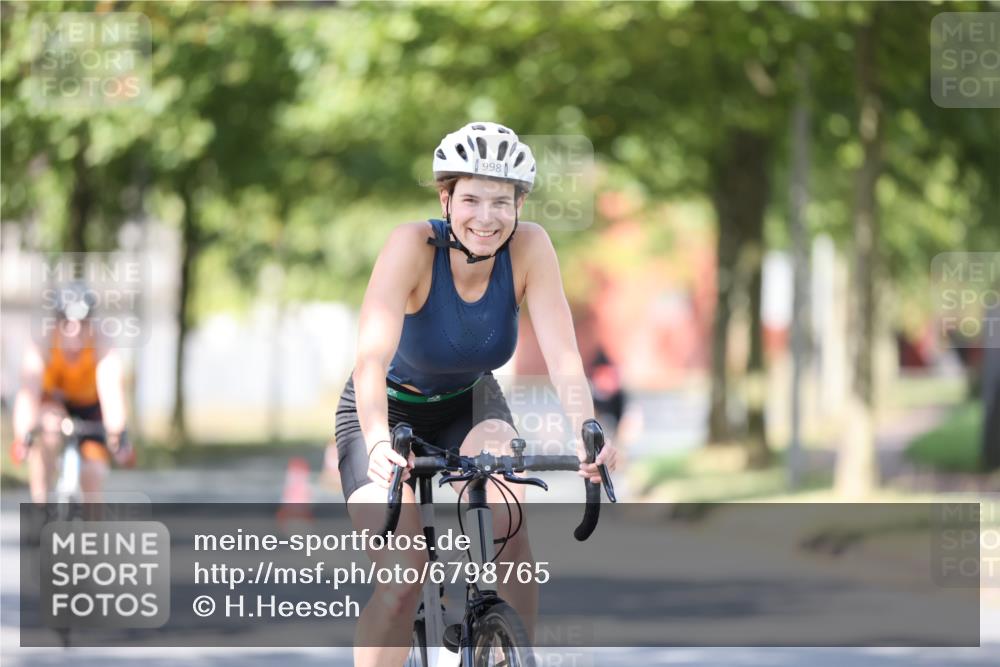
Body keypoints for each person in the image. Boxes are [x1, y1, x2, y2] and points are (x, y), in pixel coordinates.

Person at [334, 121, 617, 666]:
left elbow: (563, 359)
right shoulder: (410, 246)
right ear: (446, 198)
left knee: (512, 532)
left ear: (519, 205)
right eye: (470, 199)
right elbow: (369, 359)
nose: (485, 217)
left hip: (470, 400)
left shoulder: (531, 248)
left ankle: (511, 652)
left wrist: (589, 431)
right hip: (385, 408)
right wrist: (375, 443)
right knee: (403, 578)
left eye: (501, 202)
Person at [10, 281, 132, 504]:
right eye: (67, 322)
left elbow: (112, 394)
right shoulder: (42, 343)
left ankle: (92, 532)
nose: (74, 330)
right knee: (47, 434)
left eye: (82, 323)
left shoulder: (103, 345)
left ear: (91, 324)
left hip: (90, 408)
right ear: (57, 323)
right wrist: (22, 437)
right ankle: (41, 507)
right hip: (53, 405)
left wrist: (118, 435)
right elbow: (28, 393)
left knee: (93, 474)